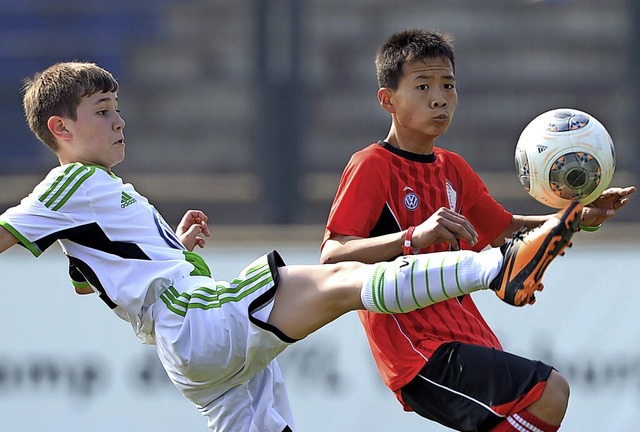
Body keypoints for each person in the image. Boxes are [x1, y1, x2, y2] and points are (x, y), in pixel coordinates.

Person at [0, 62, 582, 432]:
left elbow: (96, 276)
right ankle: (496, 269)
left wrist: (172, 247)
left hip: (193, 357)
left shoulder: (96, 196)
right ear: (60, 129)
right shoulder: (72, 182)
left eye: (118, 108)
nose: (119, 120)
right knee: (343, 284)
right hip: (194, 322)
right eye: (102, 112)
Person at [320, 29, 636, 432]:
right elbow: (333, 253)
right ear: (388, 100)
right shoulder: (372, 165)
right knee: (549, 392)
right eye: (423, 86)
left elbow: (506, 232)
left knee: (543, 403)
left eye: (448, 85)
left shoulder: (453, 168)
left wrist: (575, 216)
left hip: (467, 335)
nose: (439, 98)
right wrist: (413, 237)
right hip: (417, 349)